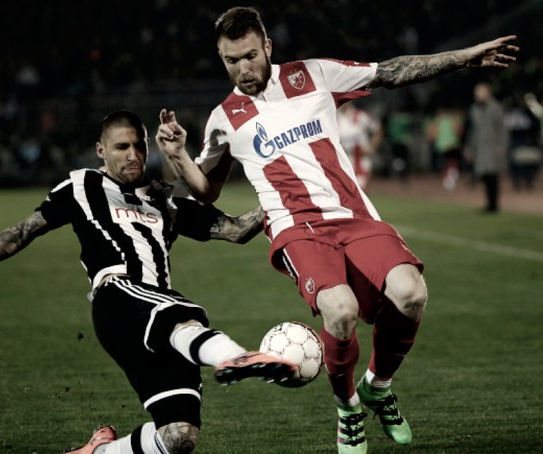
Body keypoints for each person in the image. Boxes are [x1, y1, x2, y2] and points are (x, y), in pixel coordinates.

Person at [155, 7, 518, 454]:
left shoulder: (313, 75)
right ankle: (348, 409)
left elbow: (390, 72)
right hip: (296, 230)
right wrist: (177, 156)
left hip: (353, 215)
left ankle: (377, 387)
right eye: (231, 60)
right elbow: (206, 189)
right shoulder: (224, 118)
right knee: (341, 310)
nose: (243, 68)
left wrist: (462, 57)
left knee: (411, 293)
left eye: (250, 55)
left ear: (267, 46)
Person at [0, 110, 297, 454]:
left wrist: (290, 196)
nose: (133, 155)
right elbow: (23, 231)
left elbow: (234, 231)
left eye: (139, 145)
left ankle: (101, 451)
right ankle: (236, 357)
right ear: (101, 150)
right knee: (180, 318)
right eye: (122, 147)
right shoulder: (82, 185)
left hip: (157, 310)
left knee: (179, 436)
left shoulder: (165, 197)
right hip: (118, 298)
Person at [464, 83, 509, 212]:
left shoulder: (496, 108)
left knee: (492, 176)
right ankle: (489, 203)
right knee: (485, 176)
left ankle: (493, 205)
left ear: (488, 92)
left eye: (480, 91)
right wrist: (470, 148)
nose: (477, 94)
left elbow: (502, 129)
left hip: (493, 146)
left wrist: (502, 145)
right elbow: (472, 131)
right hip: (480, 147)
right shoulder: (474, 109)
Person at [336, 101, 383, 193]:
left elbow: (378, 130)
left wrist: (371, 148)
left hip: (360, 161)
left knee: (360, 193)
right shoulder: (332, 117)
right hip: (341, 161)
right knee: (343, 194)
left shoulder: (361, 116)